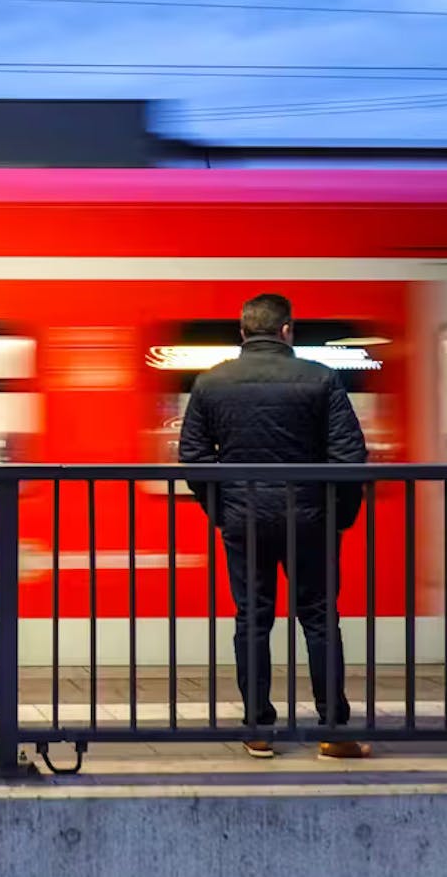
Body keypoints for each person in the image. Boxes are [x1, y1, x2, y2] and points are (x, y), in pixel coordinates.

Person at [178, 293, 371, 760]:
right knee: (320, 618)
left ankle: (259, 728)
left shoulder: (211, 382)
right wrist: (337, 516)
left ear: (243, 332)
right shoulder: (321, 379)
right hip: (310, 519)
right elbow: (350, 457)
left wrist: (222, 509)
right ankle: (332, 729)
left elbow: (194, 457)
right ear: (287, 330)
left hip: (244, 520)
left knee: (252, 618)